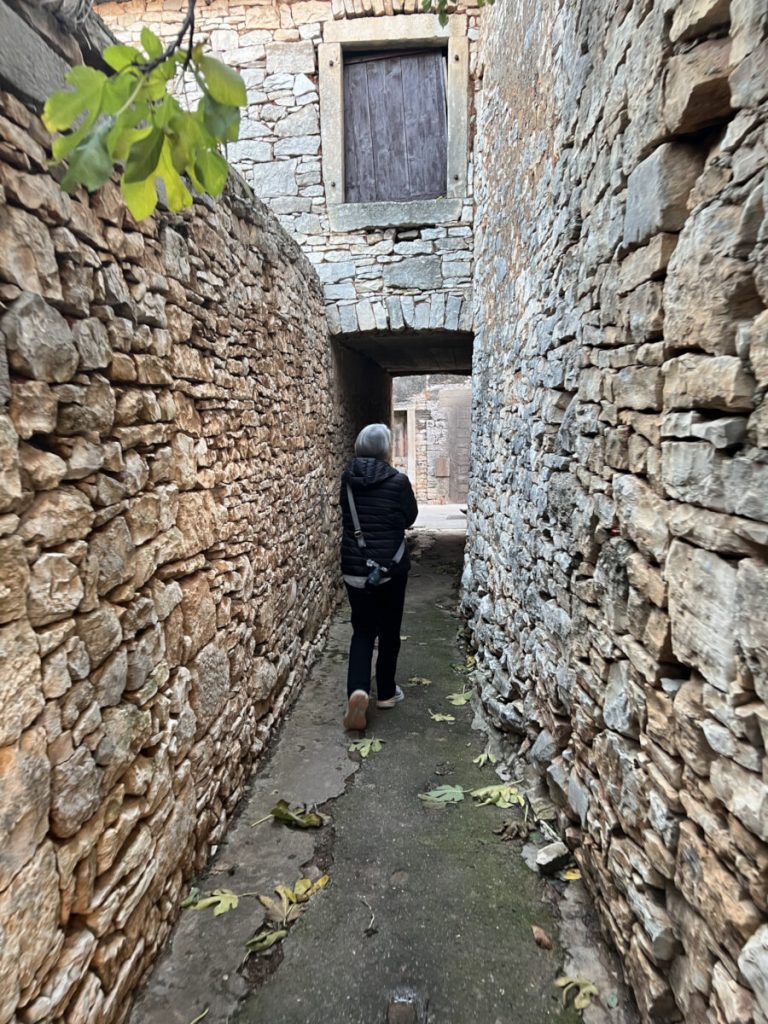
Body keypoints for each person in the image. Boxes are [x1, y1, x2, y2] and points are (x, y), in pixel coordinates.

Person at [340, 423, 418, 730]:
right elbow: (410, 518)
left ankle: (357, 690)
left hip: (355, 568)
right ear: (386, 449)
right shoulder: (399, 481)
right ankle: (385, 692)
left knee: (362, 630)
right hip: (389, 570)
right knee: (389, 630)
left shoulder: (347, 480)